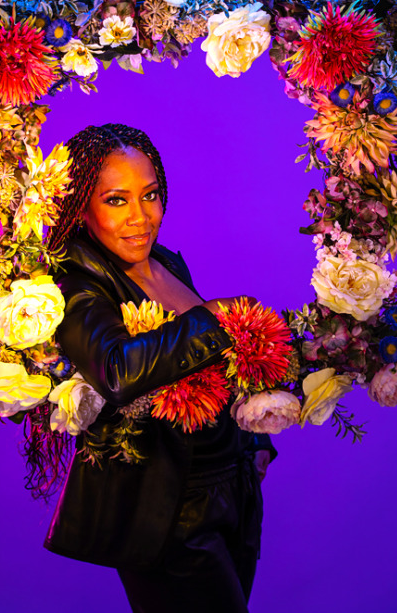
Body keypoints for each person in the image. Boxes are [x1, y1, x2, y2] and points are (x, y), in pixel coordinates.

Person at [41, 123, 277, 613]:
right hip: (169, 511)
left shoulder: (164, 261)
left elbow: (207, 367)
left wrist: (253, 442)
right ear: (80, 204)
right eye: (116, 200)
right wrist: (211, 316)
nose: (141, 217)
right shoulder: (78, 282)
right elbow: (116, 370)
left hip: (231, 489)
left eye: (149, 195)